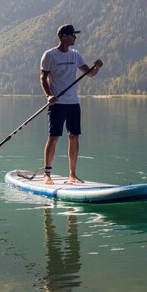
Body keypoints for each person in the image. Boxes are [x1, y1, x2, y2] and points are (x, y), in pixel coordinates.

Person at [40, 24, 102, 185]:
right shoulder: (50, 55)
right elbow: (43, 78)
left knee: (74, 137)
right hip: (57, 103)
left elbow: (90, 74)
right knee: (54, 137)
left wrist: (97, 67)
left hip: (73, 103)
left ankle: (72, 175)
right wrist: (49, 95)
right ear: (63, 37)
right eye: (73, 35)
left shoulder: (75, 55)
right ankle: (47, 174)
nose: (75, 38)